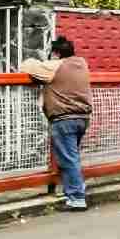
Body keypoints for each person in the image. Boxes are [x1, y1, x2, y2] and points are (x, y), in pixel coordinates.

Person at [20, 36, 93, 211]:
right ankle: (74, 191)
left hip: (64, 119)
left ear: (56, 53)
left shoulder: (55, 65)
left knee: (69, 159)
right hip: (82, 118)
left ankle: (77, 198)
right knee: (72, 157)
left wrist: (43, 60)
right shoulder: (82, 63)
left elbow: (26, 66)